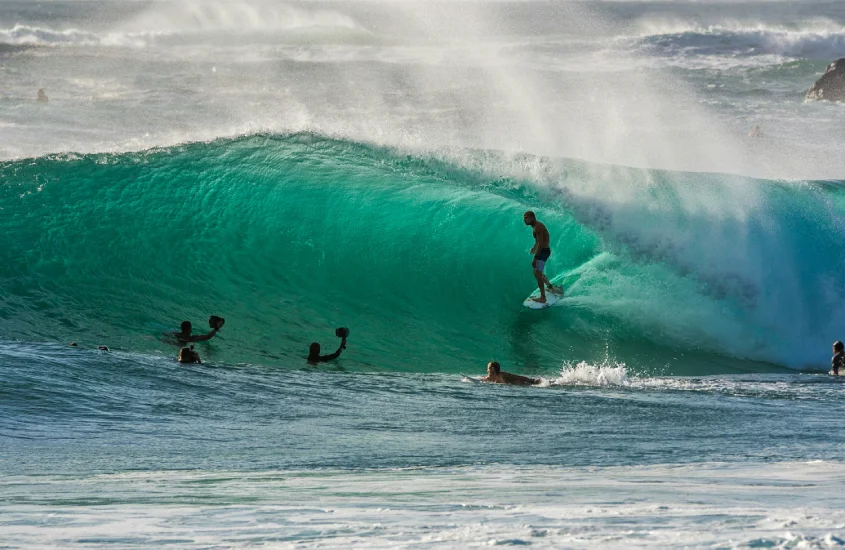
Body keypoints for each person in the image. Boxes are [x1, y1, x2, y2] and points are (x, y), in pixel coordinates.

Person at [523, 210, 560, 303]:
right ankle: (550, 286)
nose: (524, 220)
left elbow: (541, 243)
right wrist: (534, 247)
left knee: (537, 273)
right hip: (543, 250)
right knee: (536, 271)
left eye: (526, 218)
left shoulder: (538, 227)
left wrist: (536, 257)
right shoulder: (535, 226)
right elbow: (538, 241)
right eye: (524, 218)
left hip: (544, 251)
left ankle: (543, 297)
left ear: (532, 217)